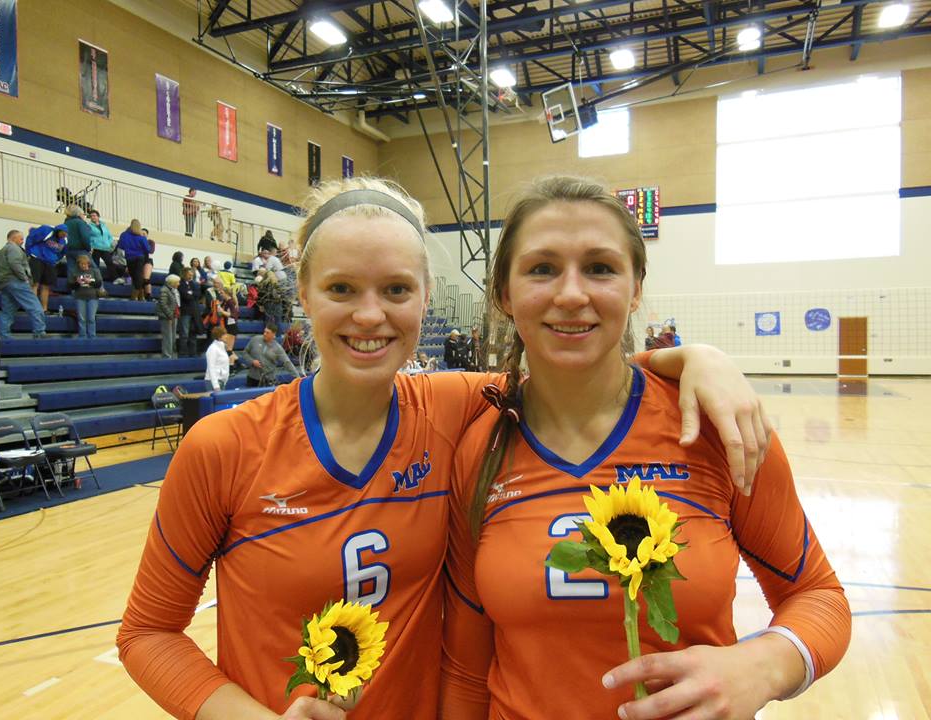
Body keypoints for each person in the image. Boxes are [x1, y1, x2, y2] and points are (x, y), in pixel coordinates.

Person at [116, 176, 770, 720]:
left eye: (396, 290)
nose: (370, 315)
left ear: (426, 298)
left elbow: (574, 364)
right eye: (342, 289)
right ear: (305, 294)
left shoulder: (456, 408)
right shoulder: (224, 446)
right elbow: (146, 633)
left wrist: (692, 359)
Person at [441, 176, 852, 720]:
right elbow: (467, 669)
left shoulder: (714, 425)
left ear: (636, 289)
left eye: (600, 268)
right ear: (502, 293)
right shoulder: (480, 446)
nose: (571, 293)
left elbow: (820, 595)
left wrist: (763, 665)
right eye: (542, 268)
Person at [0, 229, 47, 339]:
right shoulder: (14, 248)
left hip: (4, 283)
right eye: (21, 238)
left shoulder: (2, 251)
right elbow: (15, 263)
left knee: (7, 311)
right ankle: (39, 331)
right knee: (35, 306)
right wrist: (24, 278)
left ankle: (4, 335)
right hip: (16, 281)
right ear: (14, 238)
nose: (22, 241)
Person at [241, 322, 299, 386]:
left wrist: (298, 377)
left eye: (267, 332)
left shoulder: (277, 348)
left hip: (268, 379)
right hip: (252, 377)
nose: (264, 334)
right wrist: (252, 361)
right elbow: (245, 353)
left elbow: (287, 362)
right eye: (264, 331)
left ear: (273, 334)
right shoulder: (255, 339)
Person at [25, 224, 67, 312]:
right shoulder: (46, 230)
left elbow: (62, 252)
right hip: (37, 258)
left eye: (66, 234)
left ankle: (44, 309)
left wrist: (55, 259)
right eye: (63, 233)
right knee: (35, 284)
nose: (64, 235)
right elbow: (31, 238)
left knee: (46, 286)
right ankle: (33, 308)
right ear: (58, 231)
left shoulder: (64, 241)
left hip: (50, 262)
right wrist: (28, 252)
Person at [68, 254, 103, 338]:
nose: (83, 265)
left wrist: (89, 282)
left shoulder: (95, 271)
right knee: (81, 318)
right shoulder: (74, 272)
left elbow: (99, 284)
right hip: (80, 297)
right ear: (78, 264)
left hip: (93, 297)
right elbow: (70, 285)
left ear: (88, 263)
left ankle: (92, 335)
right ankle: (82, 335)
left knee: (91, 318)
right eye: (81, 264)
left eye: (85, 264)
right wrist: (77, 283)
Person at [119, 220, 151, 302]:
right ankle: (136, 296)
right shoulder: (141, 237)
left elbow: (121, 246)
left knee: (134, 276)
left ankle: (139, 296)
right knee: (139, 276)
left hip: (129, 257)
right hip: (139, 257)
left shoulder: (124, 235)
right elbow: (148, 249)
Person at [64, 204, 94, 276]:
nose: (84, 215)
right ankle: (98, 286)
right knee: (91, 268)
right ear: (78, 214)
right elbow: (85, 237)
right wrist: (89, 248)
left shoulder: (66, 223)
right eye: (83, 214)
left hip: (69, 250)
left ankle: (72, 285)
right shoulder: (80, 222)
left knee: (71, 270)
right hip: (81, 250)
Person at [177, 268, 201, 357]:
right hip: (185, 312)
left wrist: (191, 293)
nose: (191, 276)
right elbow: (185, 296)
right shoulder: (181, 283)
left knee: (193, 333)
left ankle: (193, 353)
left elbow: (197, 294)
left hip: (194, 312)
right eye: (189, 274)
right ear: (184, 274)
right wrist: (191, 294)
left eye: (192, 274)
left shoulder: (193, 284)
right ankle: (183, 353)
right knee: (184, 334)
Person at [88, 209, 117, 281]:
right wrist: (91, 244)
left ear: (98, 217)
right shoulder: (89, 226)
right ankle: (96, 279)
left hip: (105, 248)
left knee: (110, 263)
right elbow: (87, 237)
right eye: (91, 216)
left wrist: (109, 243)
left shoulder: (104, 225)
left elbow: (109, 236)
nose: (93, 217)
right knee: (95, 265)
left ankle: (114, 278)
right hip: (95, 248)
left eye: (94, 216)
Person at [156, 274, 180, 359]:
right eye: (177, 282)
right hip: (166, 317)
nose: (178, 284)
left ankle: (171, 355)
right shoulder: (164, 290)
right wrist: (170, 316)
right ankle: (167, 356)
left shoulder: (172, 290)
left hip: (172, 316)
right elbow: (163, 304)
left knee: (172, 337)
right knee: (168, 338)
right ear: (172, 282)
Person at [205, 325, 232, 391]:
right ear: (219, 336)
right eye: (224, 334)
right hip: (213, 383)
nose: (227, 336)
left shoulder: (222, 348)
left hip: (221, 381)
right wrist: (216, 386)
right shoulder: (212, 349)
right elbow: (211, 368)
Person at [142, 228, 155, 300]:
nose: (143, 235)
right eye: (142, 233)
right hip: (139, 260)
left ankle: (149, 295)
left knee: (146, 279)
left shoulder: (150, 242)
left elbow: (151, 251)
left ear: (147, 235)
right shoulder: (137, 241)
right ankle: (142, 296)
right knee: (139, 279)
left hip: (147, 260)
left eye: (144, 234)